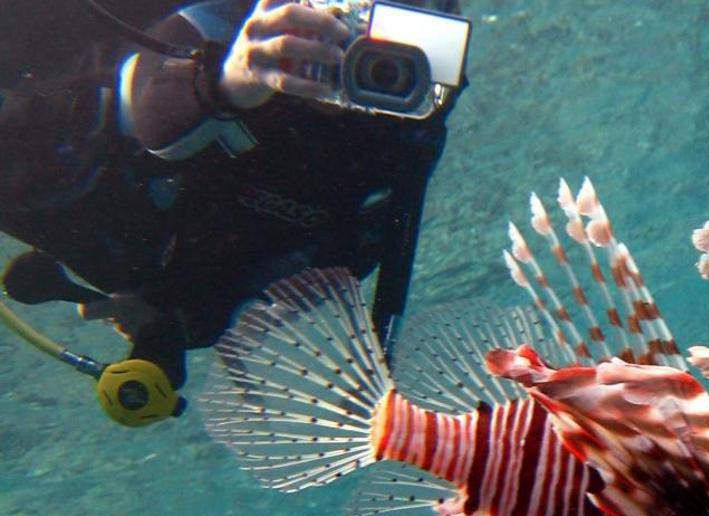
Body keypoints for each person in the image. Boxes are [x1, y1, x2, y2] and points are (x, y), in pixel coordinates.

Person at [0, 0, 463, 423]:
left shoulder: (397, 135)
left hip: (142, 245)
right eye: (351, 16)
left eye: (411, 23)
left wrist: (178, 316)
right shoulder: (250, 22)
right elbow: (150, 106)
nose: (358, 47)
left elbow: (314, 266)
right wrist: (228, 80)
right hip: (80, 135)